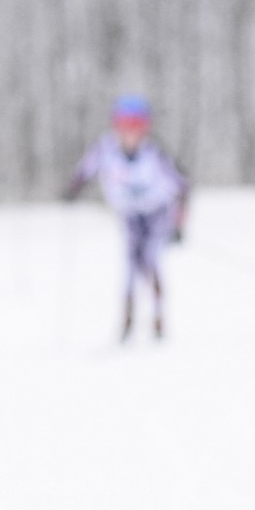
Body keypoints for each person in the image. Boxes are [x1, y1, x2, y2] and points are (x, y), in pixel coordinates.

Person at [64, 93, 189, 341]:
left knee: (151, 260)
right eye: (125, 126)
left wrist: (178, 224)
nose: (131, 133)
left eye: (136, 127)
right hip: (129, 215)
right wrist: (72, 189)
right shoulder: (105, 148)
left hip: (156, 214)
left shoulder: (155, 154)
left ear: (145, 129)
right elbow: (85, 171)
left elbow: (182, 188)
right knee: (131, 265)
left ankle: (158, 318)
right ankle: (128, 321)